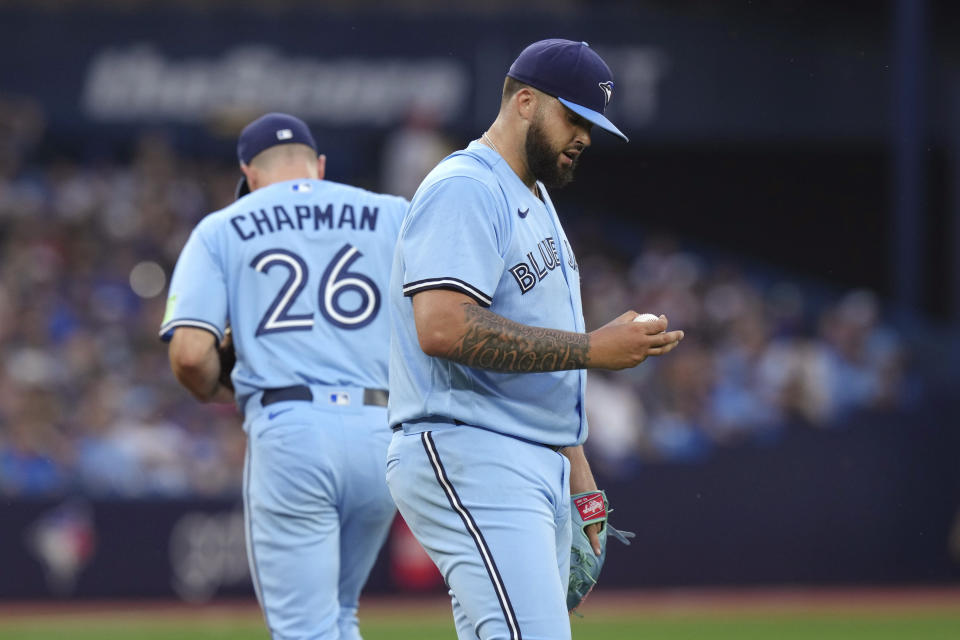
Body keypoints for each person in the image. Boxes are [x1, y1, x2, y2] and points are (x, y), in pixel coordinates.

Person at [385, 39, 685, 639]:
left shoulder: (535, 195)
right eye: (574, 118)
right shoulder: (466, 187)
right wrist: (594, 351)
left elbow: (544, 360)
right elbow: (441, 326)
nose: (585, 138)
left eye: (593, 124)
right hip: (470, 445)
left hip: (524, 451)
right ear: (525, 101)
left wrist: (577, 471)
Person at [160, 113, 407, 639]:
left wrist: (215, 388)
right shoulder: (393, 214)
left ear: (248, 173)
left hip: (292, 426)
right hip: (381, 431)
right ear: (318, 165)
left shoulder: (223, 226)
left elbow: (188, 355)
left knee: (304, 629)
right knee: (341, 614)